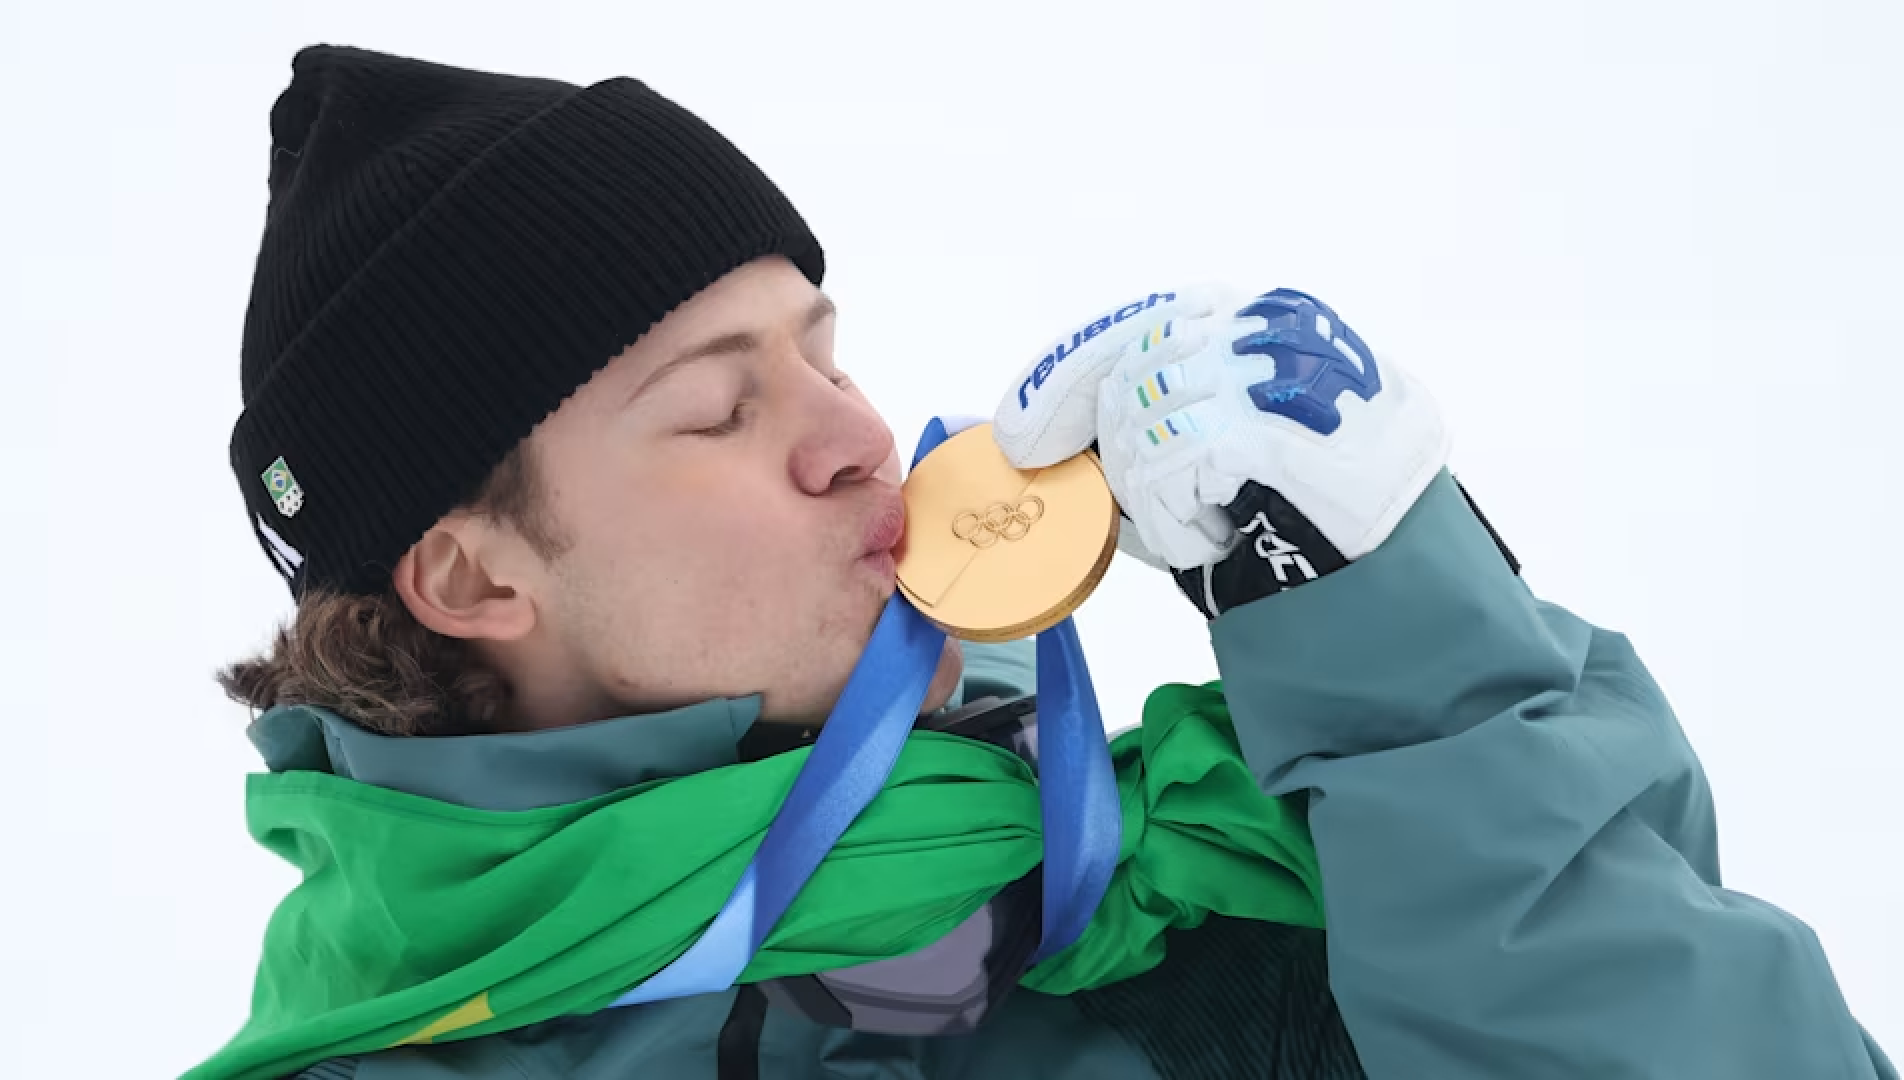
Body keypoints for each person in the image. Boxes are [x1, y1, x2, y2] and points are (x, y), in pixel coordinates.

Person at [191, 45, 1895, 1080]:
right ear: (475, 580)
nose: (858, 433)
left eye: (823, 352)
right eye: (719, 408)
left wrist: (1402, 662)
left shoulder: (1220, 913)